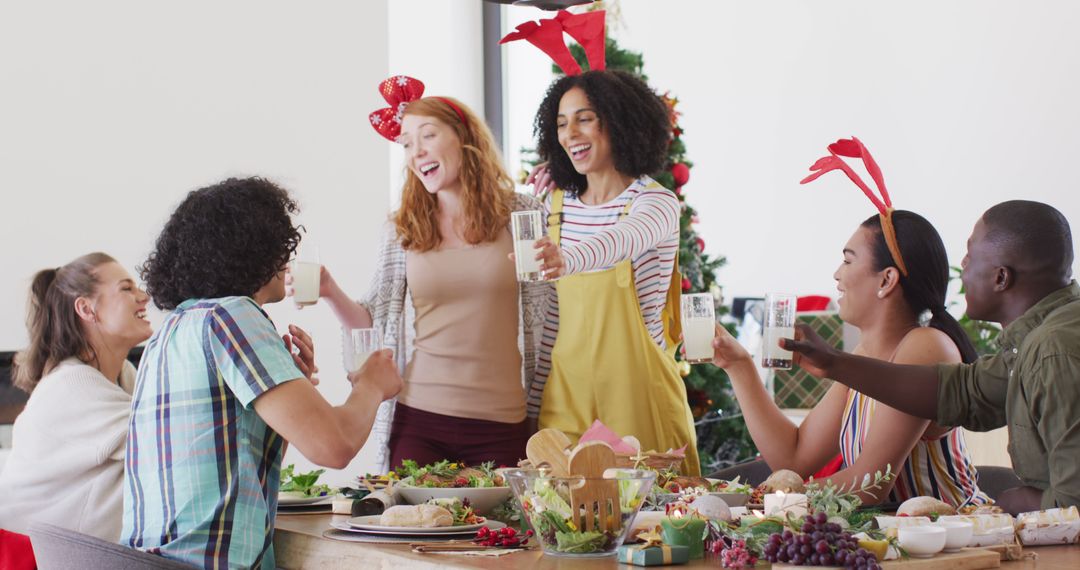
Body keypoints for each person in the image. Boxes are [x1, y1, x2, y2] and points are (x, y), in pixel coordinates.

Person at [123, 177, 402, 568]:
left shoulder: (173, 330)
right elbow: (334, 447)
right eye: (280, 246)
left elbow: (242, 453)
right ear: (253, 249)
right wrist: (371, 386)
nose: (286, 260)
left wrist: (297, 389)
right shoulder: (233, 317)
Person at [311, 76, 548, 470]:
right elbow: (373, 320)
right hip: (420, 419)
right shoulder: (404, 228)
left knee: (502, 533)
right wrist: (329, 290)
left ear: (463, 137)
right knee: (414, 530)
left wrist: (567, 186)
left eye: (427, 136)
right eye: (406, 143)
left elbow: (558, 298)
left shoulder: (523, 214)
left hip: (502, 423)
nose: (416, 152)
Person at [784, 199, 1079, 514]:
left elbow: (1073, 506)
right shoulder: (1036, 342)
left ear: (1001, 278)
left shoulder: (1054, 352)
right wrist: (833, 363)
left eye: (971, 256)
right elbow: (965, 393)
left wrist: (1013, 502)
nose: (962, 265)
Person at [711, 211, 989, 506]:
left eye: (848, 260)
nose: (836, 274)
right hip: (894, 541)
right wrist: (739, 367)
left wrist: (763, 498)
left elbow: (871, 483)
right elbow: (794, 457)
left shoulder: (926, 346)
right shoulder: (862, 356)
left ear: (887, 279)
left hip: (955, 538)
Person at [528, 69, 700, 474]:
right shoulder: (553, 207)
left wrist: (567, 259)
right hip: (564, 400)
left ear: (621, 121)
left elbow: (621, 240)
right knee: (562, 521)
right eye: (561, 124)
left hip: (639, 399)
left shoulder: (655, 204)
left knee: (652, 524)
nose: (570, 133)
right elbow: (550, 319)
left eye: (584, 118)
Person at [0, 253, 151, 541]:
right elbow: (165, 439)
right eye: (126, 288)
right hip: (29, 557)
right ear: (86, 308)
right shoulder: (72, 385)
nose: (143, 296)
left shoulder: (126, 375)